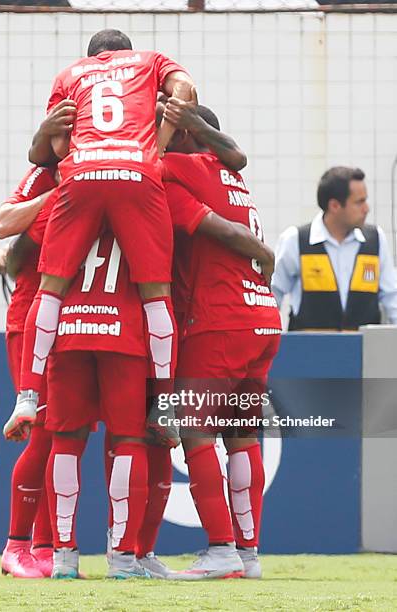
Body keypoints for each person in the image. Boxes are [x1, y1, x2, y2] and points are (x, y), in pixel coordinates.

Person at [5, 29, 197, 440]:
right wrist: (157, 143)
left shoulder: (70, 73)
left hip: (83, 175)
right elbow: (185, 89)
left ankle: (25, 396)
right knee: (156, 294)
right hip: (137, 175)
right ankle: (164, 406)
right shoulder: (151, 61)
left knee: (50, 287)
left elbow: (57, 147)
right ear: (126, 54)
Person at [159, 100, 281, 580]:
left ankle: (221, 549)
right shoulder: (234, 177)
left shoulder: (187, 167)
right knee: (242, 435)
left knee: (192, 428)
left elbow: (136, 163)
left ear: (189, 136)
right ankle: (247, 554)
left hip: (221, 318)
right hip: (261, 318)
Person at [0, 165, 59, 578]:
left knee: (63, 436)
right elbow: (6, 234)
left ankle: (46, 550)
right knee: (46, 433)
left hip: (71, 324)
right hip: (30, 322)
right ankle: (16, 546)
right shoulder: (49, 179)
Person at [272, 166, 397, 330]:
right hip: (308, 353)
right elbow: (271, 296)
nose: (367, 208)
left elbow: (392, 298)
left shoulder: (376, 239)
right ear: (335, 206)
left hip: (364, 353)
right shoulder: (295, 240)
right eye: (359, 202)